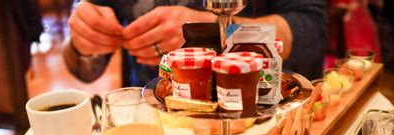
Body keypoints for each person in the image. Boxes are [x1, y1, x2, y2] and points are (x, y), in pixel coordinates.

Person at [63, 0, 327, 86]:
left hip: (260, 119)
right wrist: (83, 42)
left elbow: (312, 32)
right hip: (153, 129)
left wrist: (215, 30)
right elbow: (86, 71)